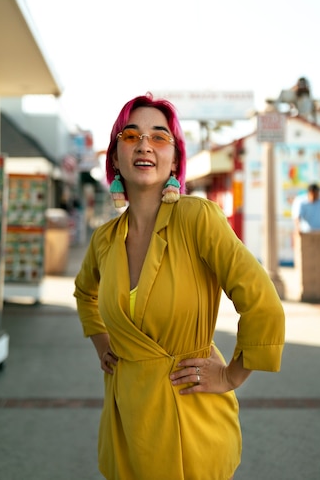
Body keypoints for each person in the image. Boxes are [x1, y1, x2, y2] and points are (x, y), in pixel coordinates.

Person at [74, 93, 285, 480]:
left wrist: (231, 375)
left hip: (190, 422)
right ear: (115, 156)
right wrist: (102, 343)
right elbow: (84, 293)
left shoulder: (197, 218)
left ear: (175, 158)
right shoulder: (104, 239)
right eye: (131, 135)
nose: (144, 145)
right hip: (126, 425)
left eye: (159, 137)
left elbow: (262, 301)